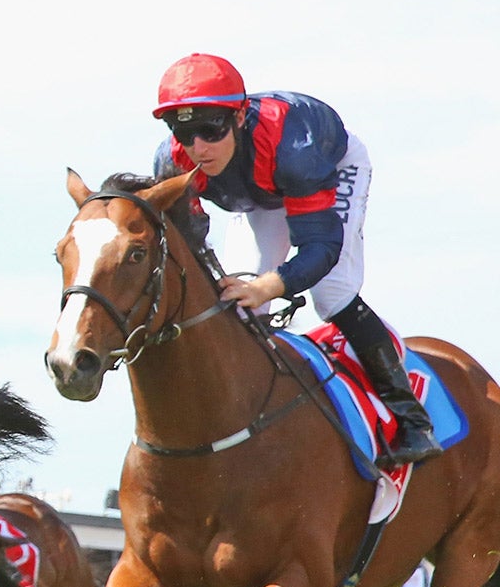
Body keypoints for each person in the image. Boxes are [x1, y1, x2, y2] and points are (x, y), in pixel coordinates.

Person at [151, 54, 440, 466]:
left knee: (331, 292)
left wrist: (269, 284)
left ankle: (413, 420)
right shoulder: (173, 162)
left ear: (237, 118)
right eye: (184, 131)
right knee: (238, 304)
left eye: (210, 130)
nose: (198, 147)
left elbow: (320, 249)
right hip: (260, 191)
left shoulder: (295, 151)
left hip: (325, 171)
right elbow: (192, 247)